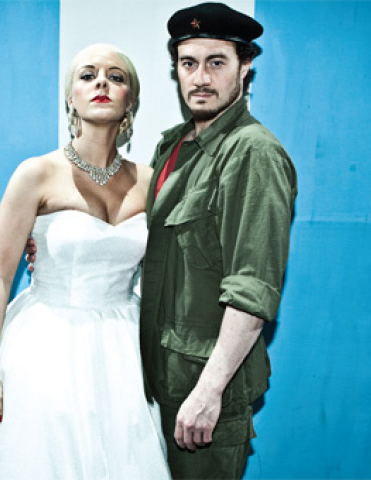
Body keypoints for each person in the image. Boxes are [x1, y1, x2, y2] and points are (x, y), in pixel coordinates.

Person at [0, 44, 171, 480]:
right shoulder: (35, 173)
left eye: (116, 76)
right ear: (70, 98)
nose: (101, 82)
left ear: (131, 101)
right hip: (45, 343)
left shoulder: (151, 181)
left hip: (124, 352)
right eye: (87, 75)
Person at [138, 3, 298, 479]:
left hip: (206, 391)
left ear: (245, 67)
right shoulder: (174, 145)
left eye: (216, 62)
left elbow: (252, 287)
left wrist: (209, 392)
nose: (201, 78)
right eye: (189, 63)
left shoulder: (253, 152)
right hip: (162, 376)